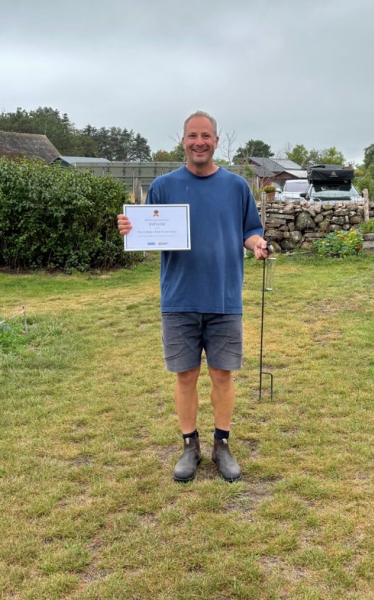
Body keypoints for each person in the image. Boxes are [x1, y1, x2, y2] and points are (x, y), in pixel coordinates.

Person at [116, 110, 269, 483]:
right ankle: (190, 446)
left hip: (223, 298)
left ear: (216, 141)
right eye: (192, 136)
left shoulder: (236, 187)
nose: (199, 142)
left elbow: (249, 230)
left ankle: (222, 445)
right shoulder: (164, 186)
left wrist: (257, 244)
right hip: (179, 298)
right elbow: (151, 235)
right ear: (183, 141)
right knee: (185, 377)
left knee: (222, 375)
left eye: (206, 135)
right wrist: (130, 229)